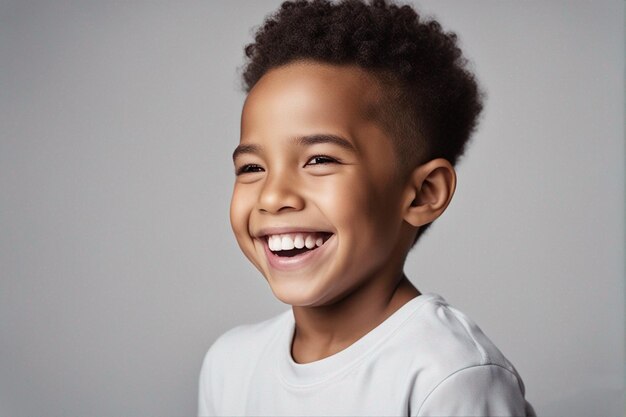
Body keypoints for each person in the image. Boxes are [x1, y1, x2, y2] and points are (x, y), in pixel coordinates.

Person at [198, 0, 536, 415]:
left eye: (319, 160)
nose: (271, 197)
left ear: (423, 193)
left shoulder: (448, 375)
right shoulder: (229, 365)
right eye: (252, 167)